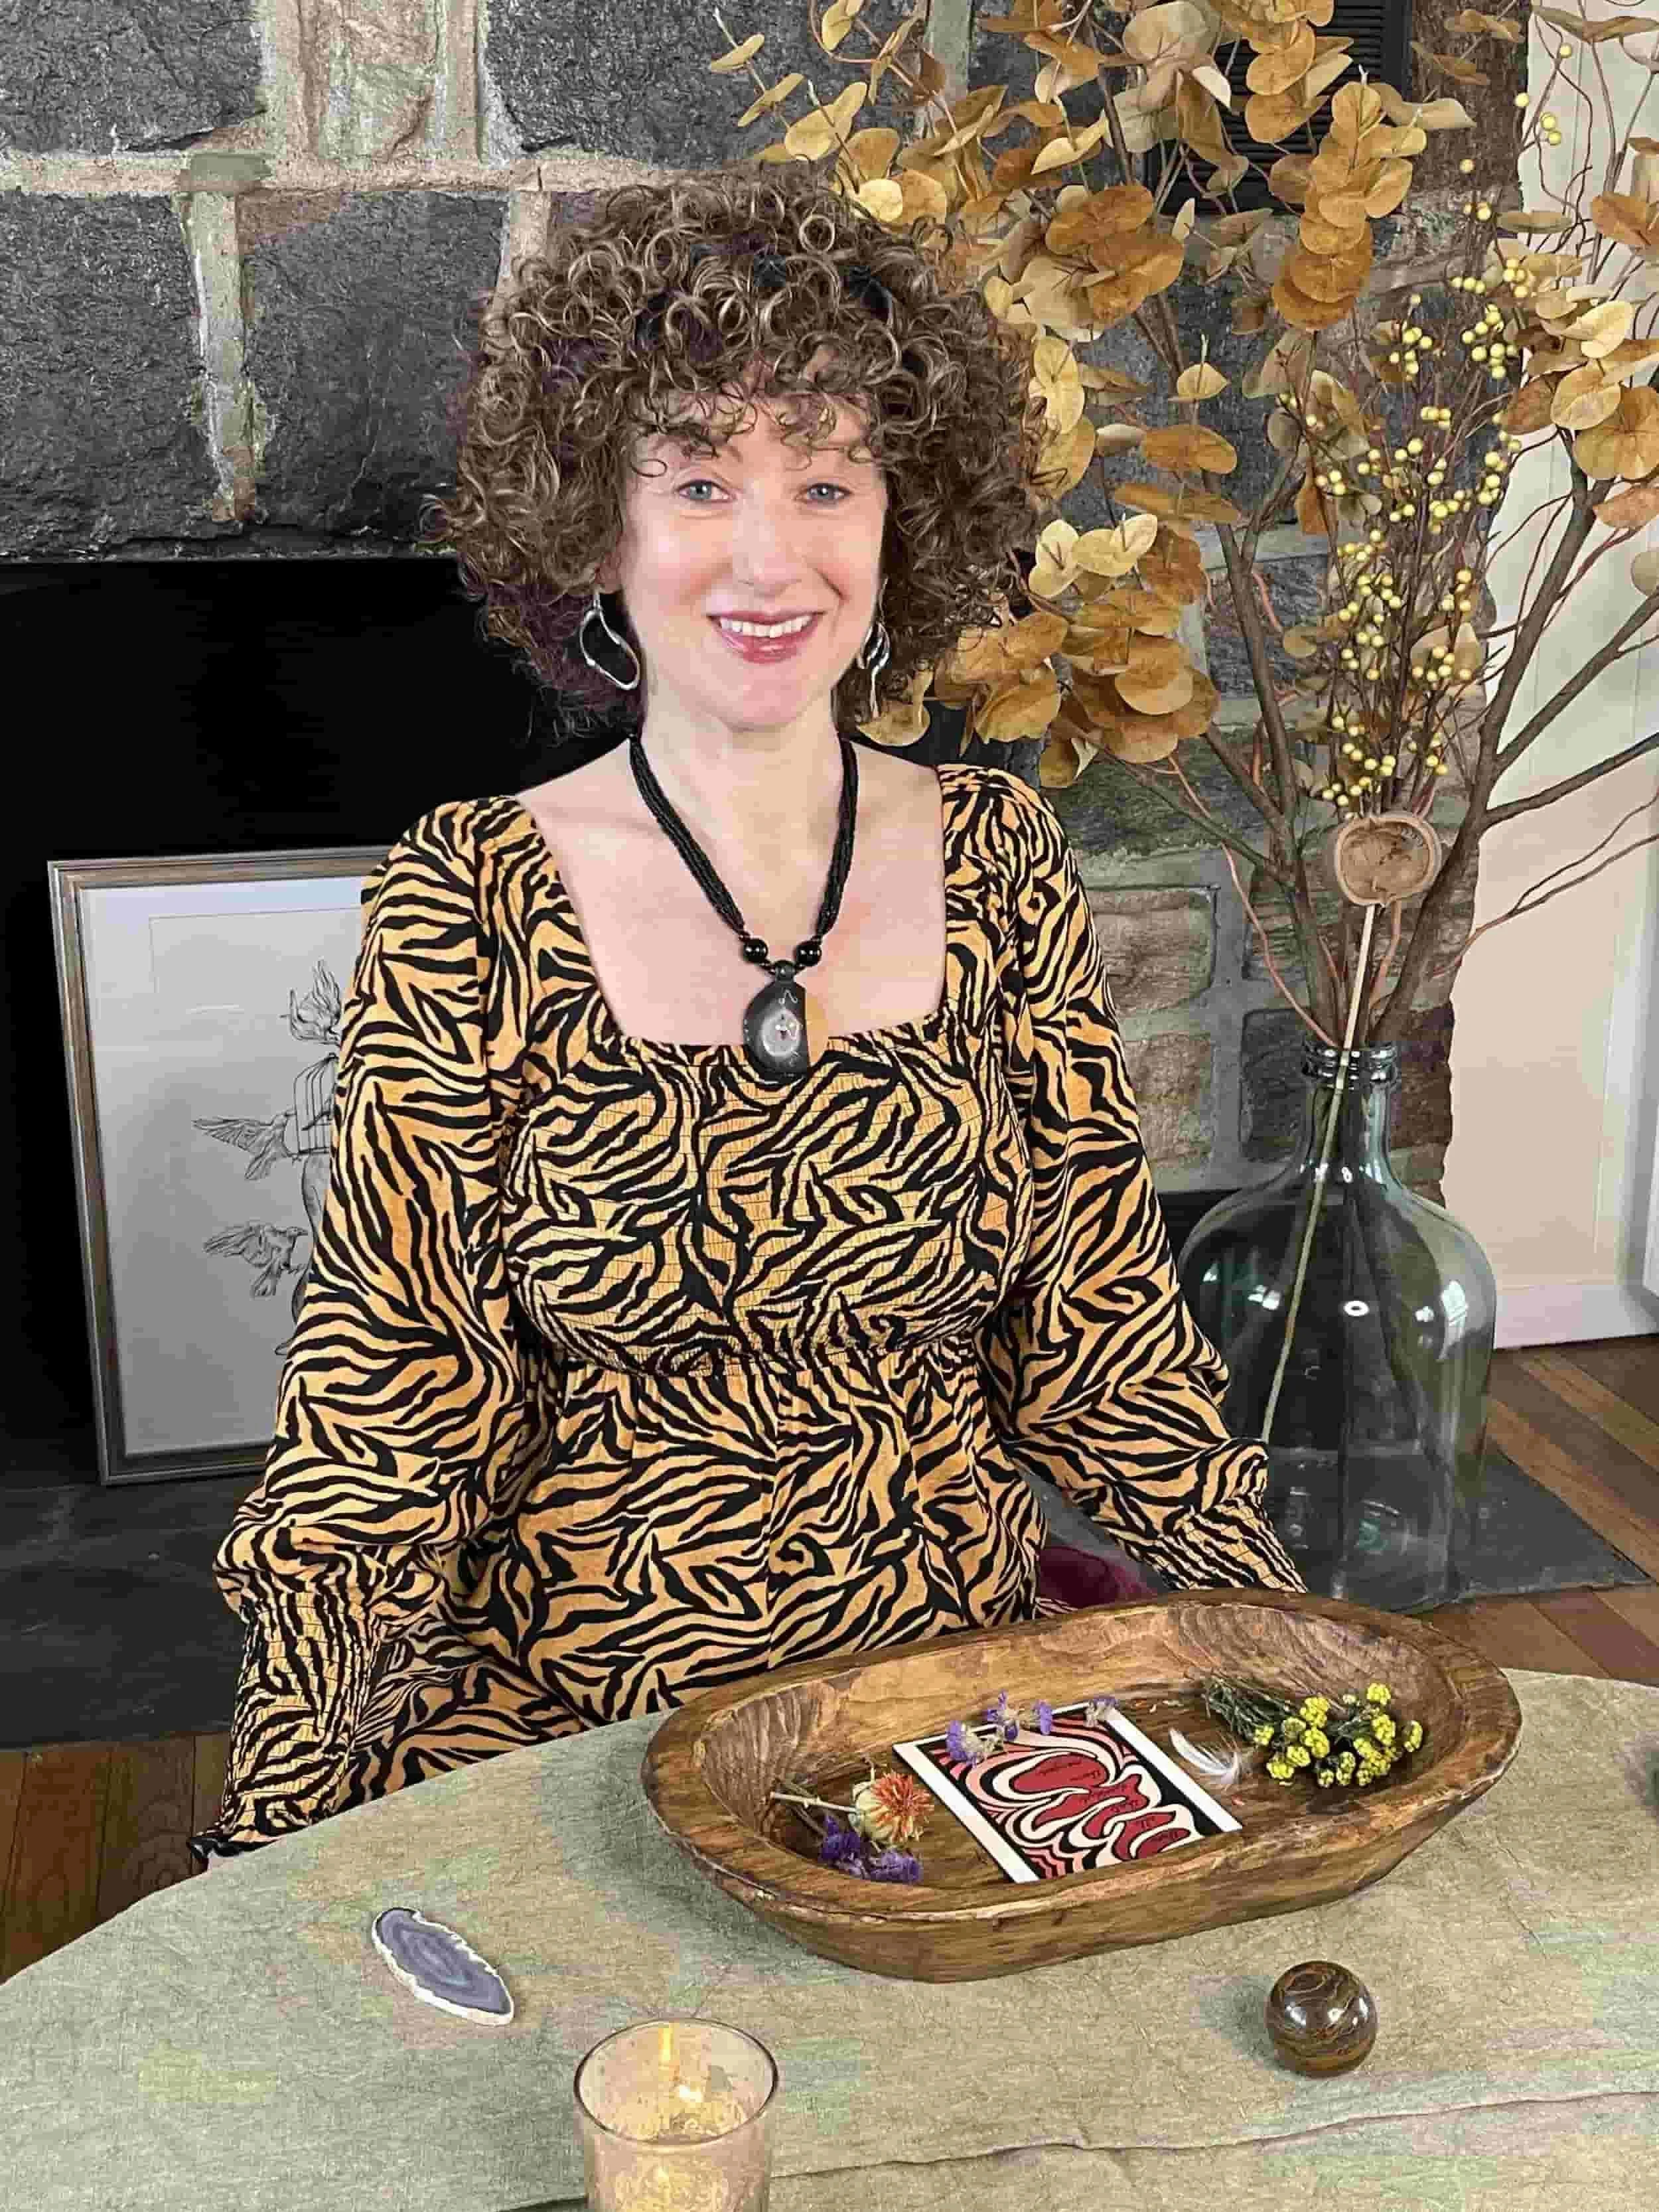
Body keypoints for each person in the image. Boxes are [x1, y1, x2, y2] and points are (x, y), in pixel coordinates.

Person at [188, 164, 1305, 1869]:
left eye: (828, 481)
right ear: (598, 528)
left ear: (899, 519)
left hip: (936, 1706)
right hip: (582, 1723)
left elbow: (1099, 1339)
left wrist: (1287, 1639)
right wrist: (275, 1830)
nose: (769, 558)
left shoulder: (998, 861)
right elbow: (389, 1411)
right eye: (698, 479)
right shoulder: (470, 897)